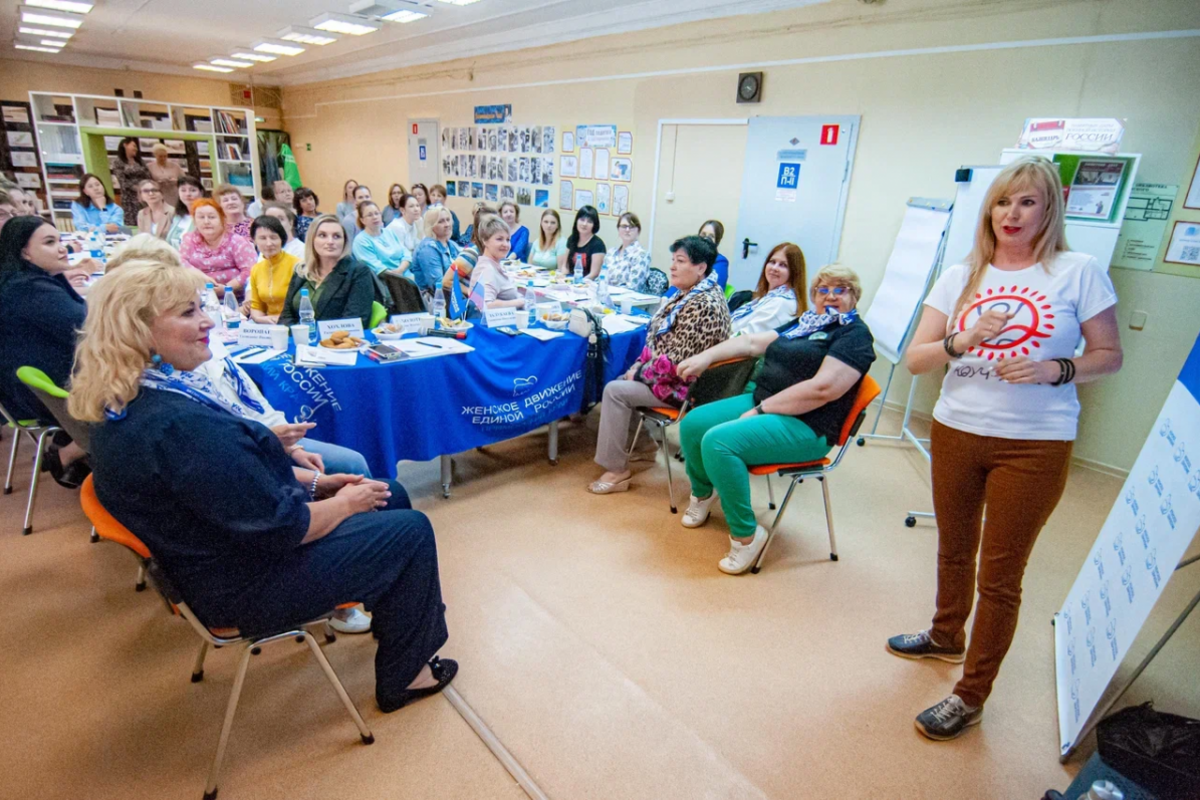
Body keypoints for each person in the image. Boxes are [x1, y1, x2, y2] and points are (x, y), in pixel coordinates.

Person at [73, 260, 456, 710]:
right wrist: (346, 503)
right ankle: (404, 676)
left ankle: (395, 619)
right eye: (187, 313)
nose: (207, 322)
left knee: (393, 493)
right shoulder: (179, 427)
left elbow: (226, 487)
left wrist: (318, 483)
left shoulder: (132, 400)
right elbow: (284, 527)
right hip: (242, 583)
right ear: (136, 330)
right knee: (410, 529)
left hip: (215, 553)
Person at [886, 156, 1123, 741]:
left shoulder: (1078, 271)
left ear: (1050, 210)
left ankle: (970, 695)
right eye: (1001, 202)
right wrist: (961, 339)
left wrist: (1055, 367)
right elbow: (916, 358)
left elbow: (1109, 355)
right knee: (953, 547)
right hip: (957, 427)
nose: (1011, 214)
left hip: (1035, 445)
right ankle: (945, 635)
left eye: (1027, 203)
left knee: (1000, 574)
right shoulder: (962, 274)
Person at [674, 264, 875, 573]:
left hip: (808, 425)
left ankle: (747, 536)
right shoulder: (806, 323)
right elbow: (753, 343)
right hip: (763, 401)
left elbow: (823, 389)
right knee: (692, 424)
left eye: (840, 289)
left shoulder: (854, 335)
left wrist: (761, 410)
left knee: (718, 443)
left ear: (855, 296)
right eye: (823, 290)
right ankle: (704, 492)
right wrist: (706, 356)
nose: (830, 296)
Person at [588, 236, 731, 495]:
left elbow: (678, 364)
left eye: (681, 261)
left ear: (701, 268)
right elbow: (658, 342)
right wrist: (639, 368)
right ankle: (643, 448)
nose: (672, 267)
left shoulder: (704, 304)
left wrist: (640, 372)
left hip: (687, 388)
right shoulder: (690, 293)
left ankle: (617, 470)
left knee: (615, 390)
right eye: (673, 261)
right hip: (671, 379)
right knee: (622, 379)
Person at [0, 217, 90, 486]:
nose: (62, 248)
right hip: (46, 396)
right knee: (140, 383)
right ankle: (74, 449)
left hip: (26, 389)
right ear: (24, 252)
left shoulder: (25, 281)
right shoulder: (28, 290)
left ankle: (74, 443)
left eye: (60, 241)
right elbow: (87, 328)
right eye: (50, 243)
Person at [279, 215, 376, 328]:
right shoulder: (301, 270)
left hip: (335, 342)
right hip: (298, 340)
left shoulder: (358, 272)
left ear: (344, 242)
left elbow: (353, 322)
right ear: (312, 239)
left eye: (336, 236)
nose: (330, 241)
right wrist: (297, 335)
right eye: (322, 235)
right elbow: (286, 315)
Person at [179, 198, 256, 298]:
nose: (206, 222)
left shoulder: (237, 241)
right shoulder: (189, 239)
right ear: (194, 221)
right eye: (201, 217)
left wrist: (226, 288)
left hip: (234, 298)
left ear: (222, 219)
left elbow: (250, 270)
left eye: (211, 217)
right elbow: (180, 262)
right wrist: (202, 278)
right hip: (198, 296)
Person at [730, 243, 806, 335]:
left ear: (794, 272)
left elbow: (746, 337)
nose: (774, 268)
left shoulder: (781, 304)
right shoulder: (767, 296)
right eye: (772, 262)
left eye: (783, 265)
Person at [246, 215, 299, 325]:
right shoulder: (256, 269)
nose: (269, 243)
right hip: (268, 324)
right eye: (262, 238)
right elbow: (256, 305)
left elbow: (302, 304)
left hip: (294, 323)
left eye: (273, 237)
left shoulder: (297, 266)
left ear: (281, 239)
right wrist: (261, 319)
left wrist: (281, 318)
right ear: (254, 241)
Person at [468, 215, 524, 310]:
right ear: (485, 241)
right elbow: (486, 305)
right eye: (499, 239)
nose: (505, 245)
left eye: (508, 240)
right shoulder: (486, 269)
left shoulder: (493, 264)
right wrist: (519, 302)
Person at [441, 203, 495, 292]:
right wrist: (470, 291)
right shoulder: (472, 253)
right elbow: (447, 281)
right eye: (492, 226)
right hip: (471, 302)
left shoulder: (489, 251)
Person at [352, 201, 412, 277]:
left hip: (406, 275)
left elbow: (406, 254)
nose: (374, 217)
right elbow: (377, 268)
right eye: (370, 215)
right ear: (362, 220)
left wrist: (400, 270)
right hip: (385, 282)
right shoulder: (360, 241)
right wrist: (397, 275)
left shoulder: (389, 232)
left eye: (377, 213)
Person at [412, 207, 459, 296]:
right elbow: (438, 286)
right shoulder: (428, 250)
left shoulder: (451, 244)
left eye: (448, 220)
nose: (447, 224)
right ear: (431, 226)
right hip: (435, 299)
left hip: (453, 293)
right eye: (441, 221)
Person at [605, 212, 651, 291]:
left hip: (627, 300)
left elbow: (634, 287)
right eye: (624, 226)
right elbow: (601, 279)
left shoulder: (641, 255)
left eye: (631, 227)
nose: (627, 230)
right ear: (618, 229)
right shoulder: (611, 253)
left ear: (638, 230)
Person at [110, 137, 150, 225]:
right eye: (134, 146)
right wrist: (137, 188)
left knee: (146, 219)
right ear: (125, 145)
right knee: (133, 221)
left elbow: (147, 175)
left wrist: (146, 188)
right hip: (129, 198)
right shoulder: (118, 162)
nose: (136, 149)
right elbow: (122, 181)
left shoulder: (139, 161)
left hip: (144, 195)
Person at [565, 205, 605, 278]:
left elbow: (594, 273)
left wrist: (579, 283)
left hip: (588, 284)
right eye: (582, 220)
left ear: (594, 225)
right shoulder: (571, 239)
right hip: (570, 282)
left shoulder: (598, 244)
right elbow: (565, 266)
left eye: (589, 221)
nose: (584, 224)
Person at [165, 175, 205, 250]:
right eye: (183, 190)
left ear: (201, 193)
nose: (188, 194)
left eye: (193, 190)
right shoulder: (177, 216)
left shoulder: (206, 216)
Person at [147, 143, 183, 209]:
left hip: (173, 196)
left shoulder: (175, 166)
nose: (163, 158)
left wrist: (176, 180)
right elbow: (146, 182)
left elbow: (184, 180)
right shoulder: (149, 167)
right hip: (157, 196)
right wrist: (157, 183)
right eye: (160, 156)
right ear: (155, 155)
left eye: (165, 156)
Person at [698, 220, 730, 289]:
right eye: (703, 234)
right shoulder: (690, 257)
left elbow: (714, 288)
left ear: (717, 241)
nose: (705, 239)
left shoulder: (720, 261)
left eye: (711, 236)